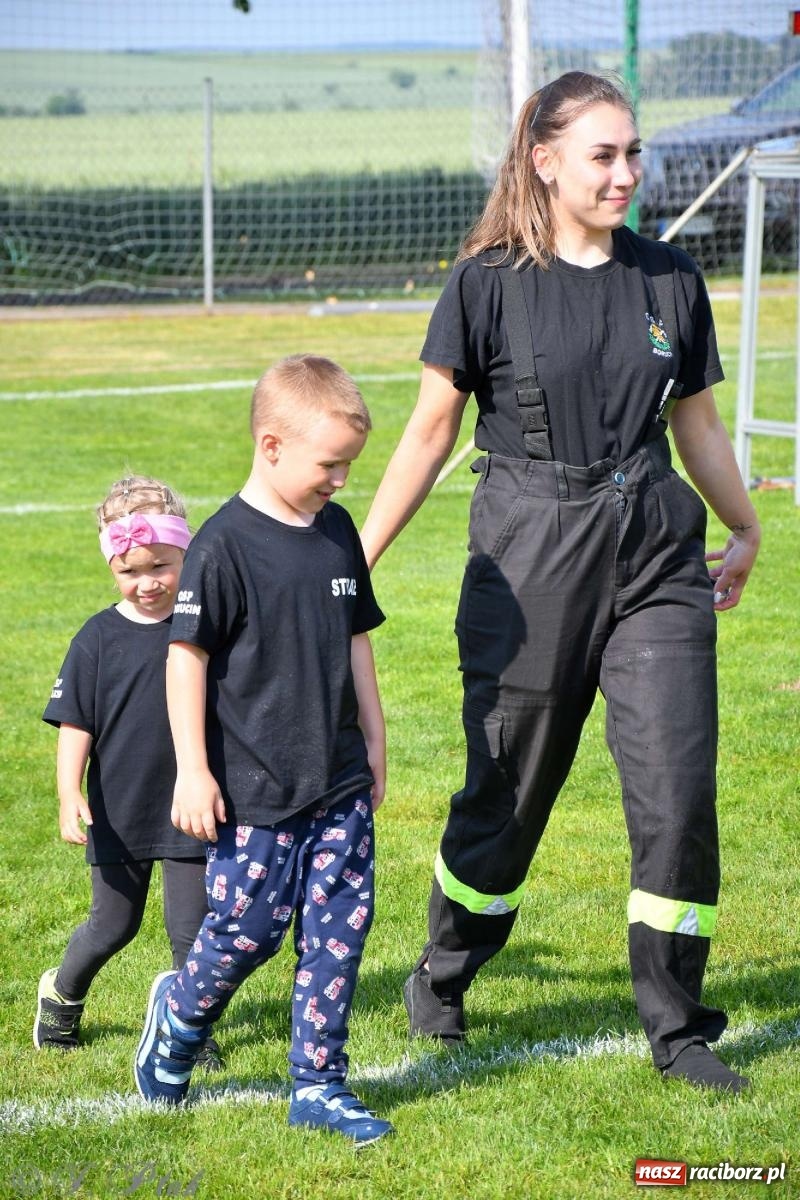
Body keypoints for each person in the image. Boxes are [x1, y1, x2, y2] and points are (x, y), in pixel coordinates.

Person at [360, 71, 760, 1094]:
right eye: (604, 155)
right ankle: (442, 973)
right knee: (507, 793)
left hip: (654, 556)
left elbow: (697, 427)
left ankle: (677, 1029)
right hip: (527, 553)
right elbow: (428, 431)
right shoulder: (483, 281)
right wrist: (352, 559)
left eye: (633, 154)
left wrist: (741, 524)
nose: (627, 174)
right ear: (542, 159)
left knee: (674, 796)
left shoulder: (668, 280)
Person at [133, 354, 394, 1145]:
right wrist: (193, 767)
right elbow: (188, 658)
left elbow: (356, 643)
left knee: (340, 928)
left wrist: (376, 738)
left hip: (338, 778)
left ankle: (319, 1083)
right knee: (248, 929)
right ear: (273, 446)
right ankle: (178, 1015)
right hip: (253, 785)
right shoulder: (223, 546)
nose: (341, 481)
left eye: (350, 466)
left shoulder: (338, 533)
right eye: (329, 464)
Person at [37, 475, 222, 1071]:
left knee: (192, 932)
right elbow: (76, 724)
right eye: (130, 571)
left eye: (161, 567)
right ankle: (62, 992)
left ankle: (190, 1028)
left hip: (190, 803)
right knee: (113, 924)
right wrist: (69, 791)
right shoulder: (96, 639)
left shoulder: (205, 627)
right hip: (120, 808)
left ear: (185, 555)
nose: (147, 584)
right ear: (112, 568)